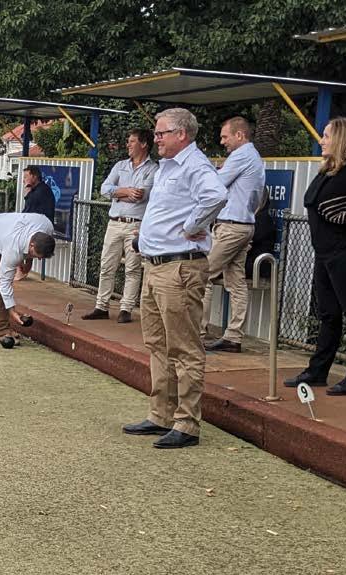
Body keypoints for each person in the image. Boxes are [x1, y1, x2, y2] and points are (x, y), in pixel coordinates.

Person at [122, 108, 227, 449]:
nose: (156, 139)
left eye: (161, 133)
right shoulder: (168, 166)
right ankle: (161, 414)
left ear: (182, 134)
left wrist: (193, 225)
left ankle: (187, 423)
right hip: (155, 266)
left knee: (183, 347)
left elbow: (216, 195)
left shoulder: (195, 165)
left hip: (179, 268)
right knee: (157, 344)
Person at [283, 117, 346, 396]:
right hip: (325, 254)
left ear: (342, 138)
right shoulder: (329, 169)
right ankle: (317, 371)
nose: (321, 140)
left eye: (327, 135)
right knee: (329, 314)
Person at [201, 117, 266, 353]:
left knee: (204, 274)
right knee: (236, 282)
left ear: (239, 135)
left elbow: (216, 184)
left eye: (225, 136)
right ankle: (233, 336)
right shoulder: (254, 157)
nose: (222, 141)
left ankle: (197, 332)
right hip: (245, 224)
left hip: (230, 226)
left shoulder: (241, 156)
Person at [83, 128, 157, 323]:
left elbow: (141, 196)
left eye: (132, 141)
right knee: (107, 265)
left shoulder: (153, 169)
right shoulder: (120, 165)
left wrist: (118, 194)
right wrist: (126, 191)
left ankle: (126, 308)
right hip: (115, 222)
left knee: (132, 268)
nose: (128, 145)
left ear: (143, 144)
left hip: (136, 225)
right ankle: (101, 306)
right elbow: (105, 189)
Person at [0, 212, 57, 349]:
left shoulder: (47, 226)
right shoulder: (13, 250)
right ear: (32, 245)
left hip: (4, 232)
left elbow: (31, 244)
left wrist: (28, 259)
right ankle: (2, 330)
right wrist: (12, 311)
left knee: (2, 283)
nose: (39, 259)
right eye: (37, 256)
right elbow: (4, 283)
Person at [13, 166, 56, 281]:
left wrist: (27, 190)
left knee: (19, 237)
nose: (24, 180)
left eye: (26, 177)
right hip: (34, 224)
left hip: (42, 226)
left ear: (34, 176)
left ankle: (21, 268)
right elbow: (27, 211)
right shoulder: (36, 190)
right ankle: (22, 267)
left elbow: (30, 206)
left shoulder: (42, 190)